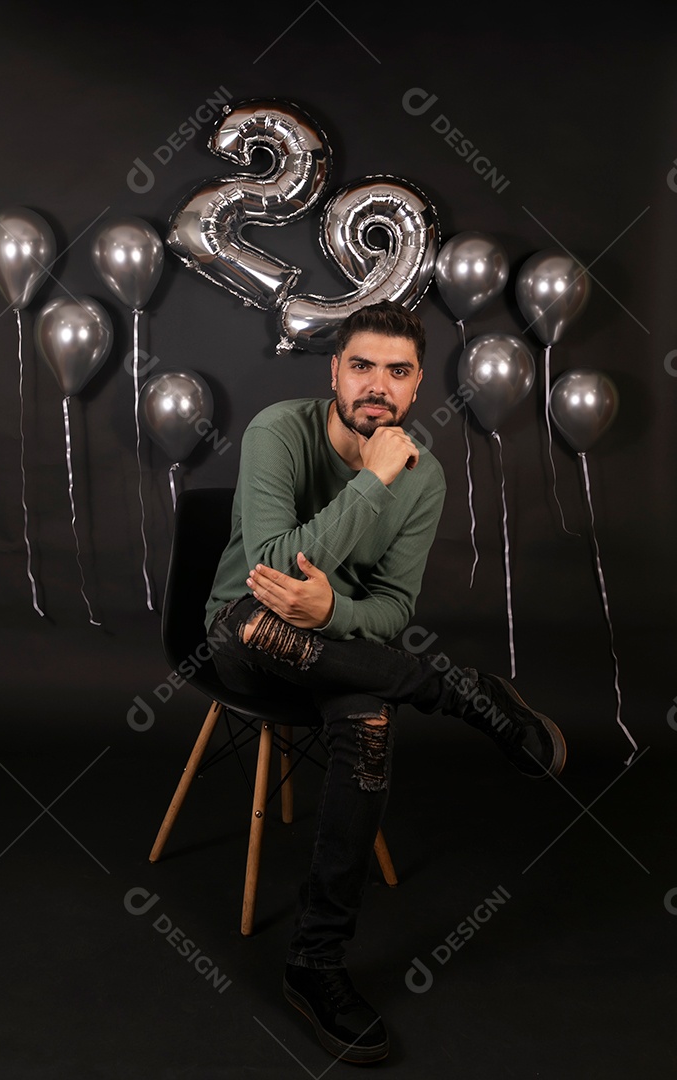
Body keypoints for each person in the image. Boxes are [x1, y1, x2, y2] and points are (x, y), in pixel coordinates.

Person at [204, 300, 566, 1065]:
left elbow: (393, 609)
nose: (378, 385)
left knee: (368, 720)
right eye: (362, 366)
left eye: (397, 371)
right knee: (257, 623)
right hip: (244, 636)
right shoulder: (277, 431)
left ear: (417, 385)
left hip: (341, 655)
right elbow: (270, 571)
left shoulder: (424, 477)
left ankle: (315, 963)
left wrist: (333, 610)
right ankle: (456, 694)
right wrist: (370, 480)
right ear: (334, 372)